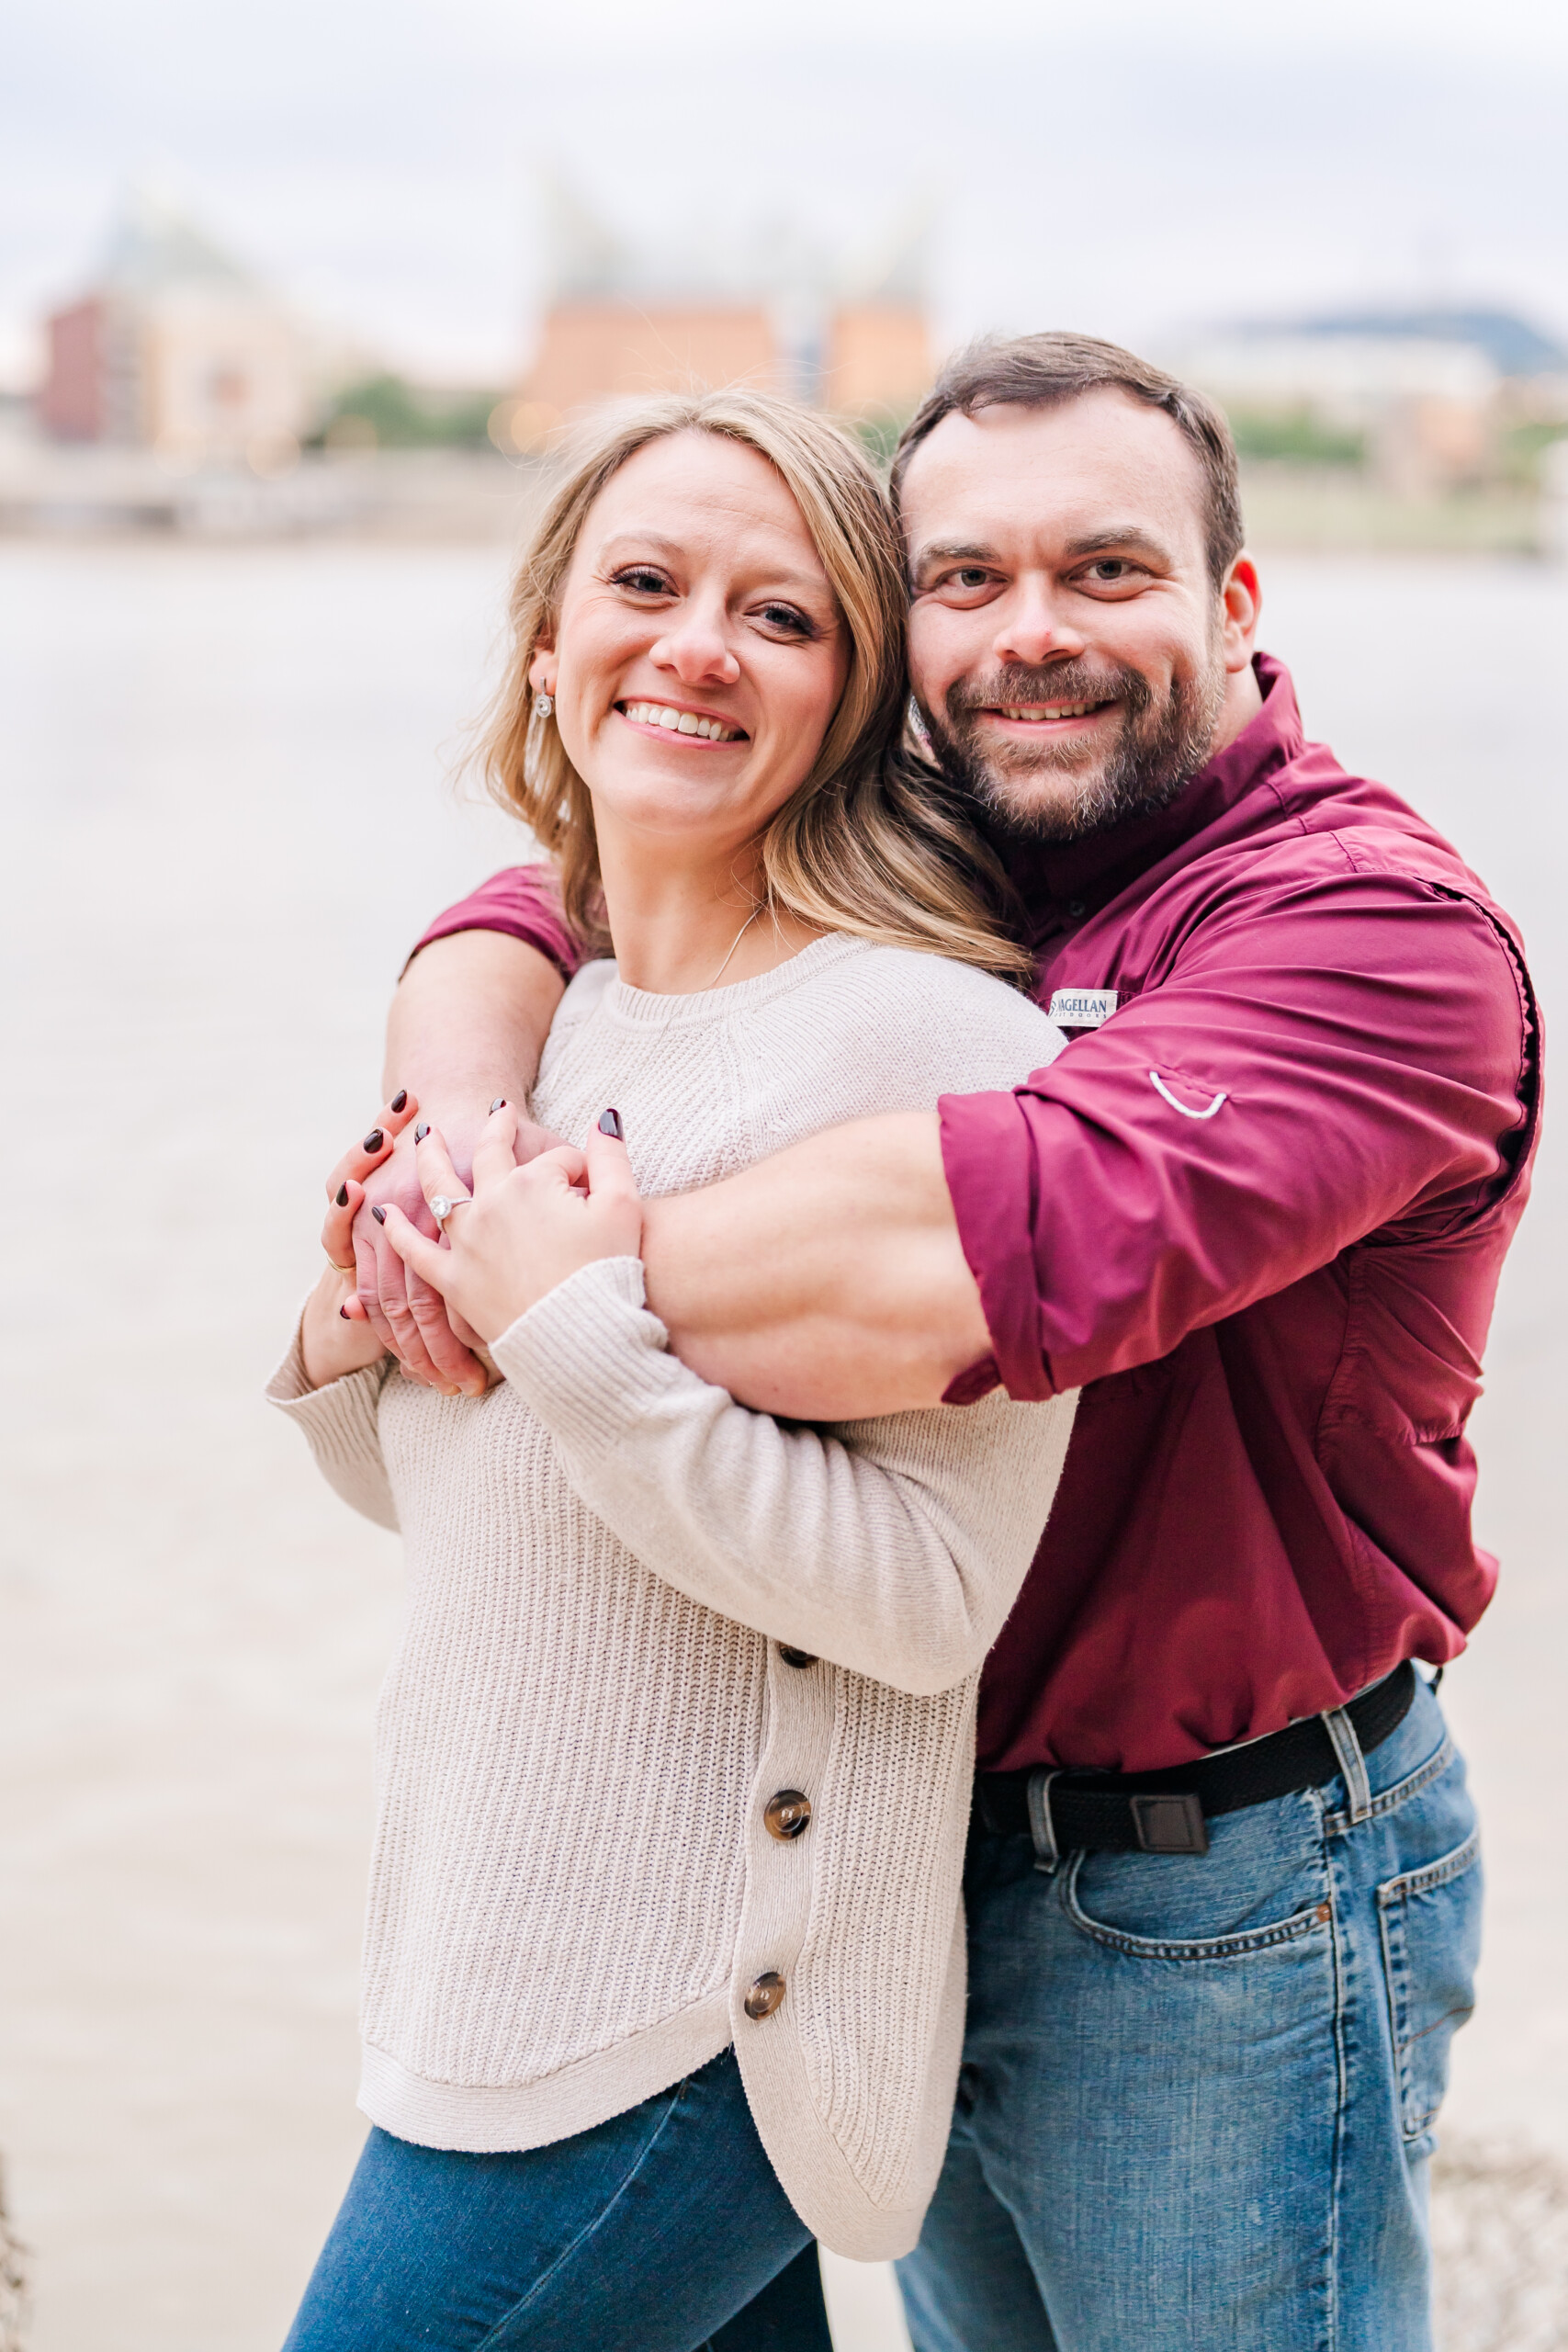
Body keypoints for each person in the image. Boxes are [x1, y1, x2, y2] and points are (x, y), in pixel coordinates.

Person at [358, 334, 1540, 2350]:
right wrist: (445, 1128)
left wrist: (501, 1265)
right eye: (964, 580)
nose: (1032, 636)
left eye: (1105, 569)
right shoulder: (957, 827)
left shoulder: (1368, 931)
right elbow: (556, 883)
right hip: (899, 1846)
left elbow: (951, 1267)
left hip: (1211, 1887)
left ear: (1232, 605)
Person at [269, 388, 1079, 2350]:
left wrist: (562, 1324)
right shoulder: (547, 1030)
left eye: (778, 615)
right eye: (643, 581)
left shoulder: (928, 1045)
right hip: (473, 1955)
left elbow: (923, 1599)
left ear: (847, 694)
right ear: (548, 643)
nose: (696, 643)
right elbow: (482, 1502)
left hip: (688, 2013)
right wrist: (346, 1318)